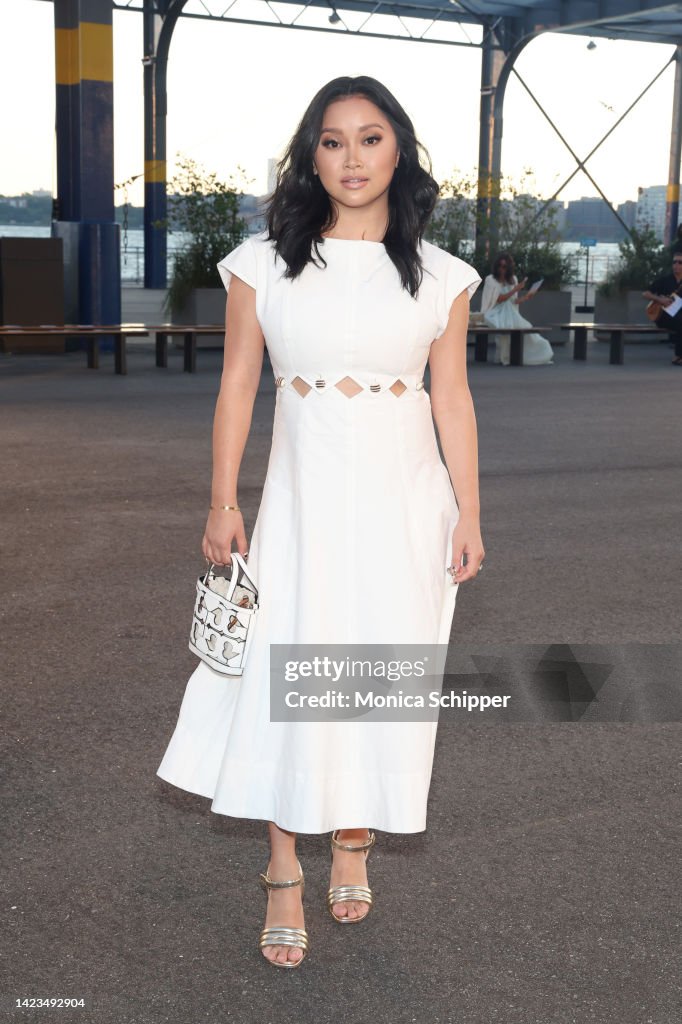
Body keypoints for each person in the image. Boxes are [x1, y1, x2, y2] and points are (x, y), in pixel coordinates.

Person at [156, 75, 484, 969]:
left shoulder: (444, 275)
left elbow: (451, 399)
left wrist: (471, 512)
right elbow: (235, 388)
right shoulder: (262, 263)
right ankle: (280, 870)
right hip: (299, 503)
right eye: (332, 141)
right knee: (285, 675)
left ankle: (353, 837)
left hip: (406, 502)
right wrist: (223, 500)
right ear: (311, 155)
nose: (351, 158)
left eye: (370, 139)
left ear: (399, 151)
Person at [479, 252, 554, 365]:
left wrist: (527, 297)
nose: (501, 269)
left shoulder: (513, 279)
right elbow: (498, 299)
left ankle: (520, 356)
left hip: (511, 312)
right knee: (505, 326)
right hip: (496, 311)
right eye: (499, 266)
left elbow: (514, 301)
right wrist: (516, 289)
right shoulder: (491, 280)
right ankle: (505, 357)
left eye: (504, 267)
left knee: (528, 331)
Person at [642, 253, 682, 365]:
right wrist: (660, 299)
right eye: (674, 262)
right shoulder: (665, 280)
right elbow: (645, 293)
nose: (676, 265)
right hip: (662, 315)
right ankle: (678, 356)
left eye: (680, 262)